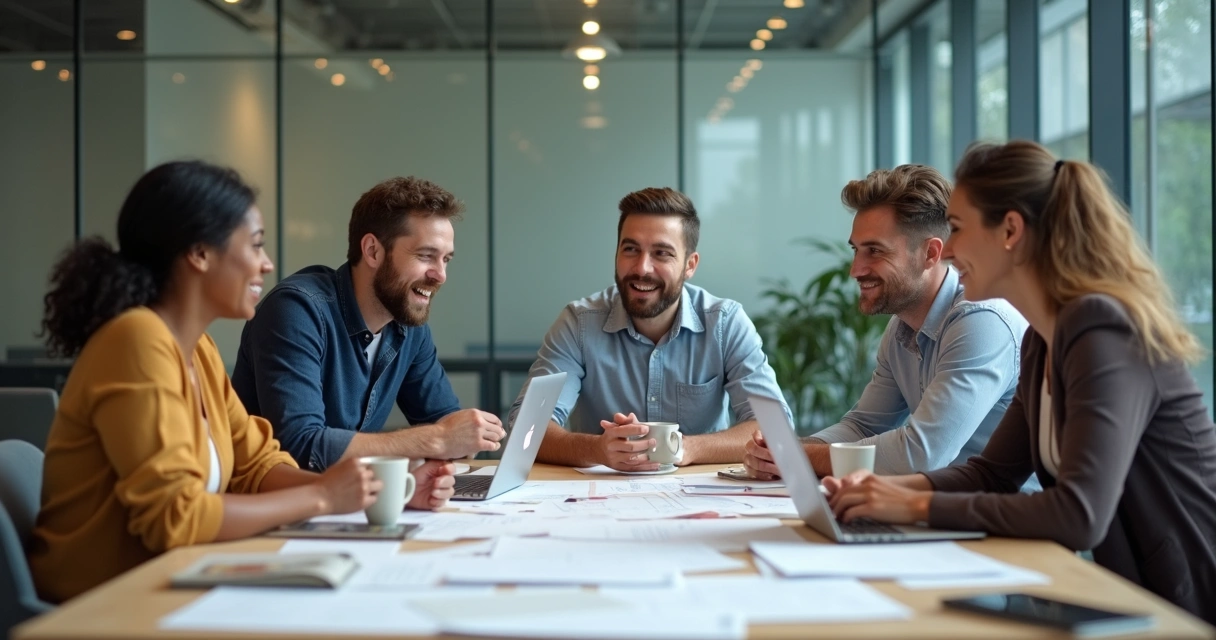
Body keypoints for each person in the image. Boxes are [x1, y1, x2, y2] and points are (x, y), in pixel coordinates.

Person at [29, 162, 456, 603]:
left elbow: (257, 466)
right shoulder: (137, 340)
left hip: (175, 579)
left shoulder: (199, 350)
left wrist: (376, 491)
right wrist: (323, 499)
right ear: (199, 253)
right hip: (104, 604)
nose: (266, 264)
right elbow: (176, 519)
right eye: (255, 245)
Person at [826, 141, 1216, 622]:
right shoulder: (1042, 337)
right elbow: (992, 475)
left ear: (1010, 230)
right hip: (1130, 595)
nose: (947, 249)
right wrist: (884, 494)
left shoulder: (1103, 328)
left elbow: (1079, 515)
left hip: (1187, 603)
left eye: (958, 229)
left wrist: (914, 505)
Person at [743, 164, 1028, 480]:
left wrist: (797, 457)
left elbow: (921, 454)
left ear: (930, 254)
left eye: (874, 251)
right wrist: (780, 451)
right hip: (940, 512)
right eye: (856, 250)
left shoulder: (981, 320)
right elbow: (863, 425)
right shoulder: (902, 328)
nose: (855, 269)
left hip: (1007, 524)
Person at [232, 177, 504, 471]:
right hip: (275, 509)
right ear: (373, 251)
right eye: (426, 256)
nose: (440, 275)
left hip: (350, 505)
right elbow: (301, 446)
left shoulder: (407, 323)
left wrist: (465, 438)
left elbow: (448, 428)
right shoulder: (296, 310)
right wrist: (436, 439)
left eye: (446, 259)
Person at [509, 187, 789, 472]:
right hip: (597, 500)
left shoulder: (725, 323)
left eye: (661, 253)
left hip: (701, 500)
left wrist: (684, 447)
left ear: (690, 265)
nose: (642, 268)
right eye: (630, 249)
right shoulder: (578, 324)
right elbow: (526, 427)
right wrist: (596, 449)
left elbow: (775, 430)